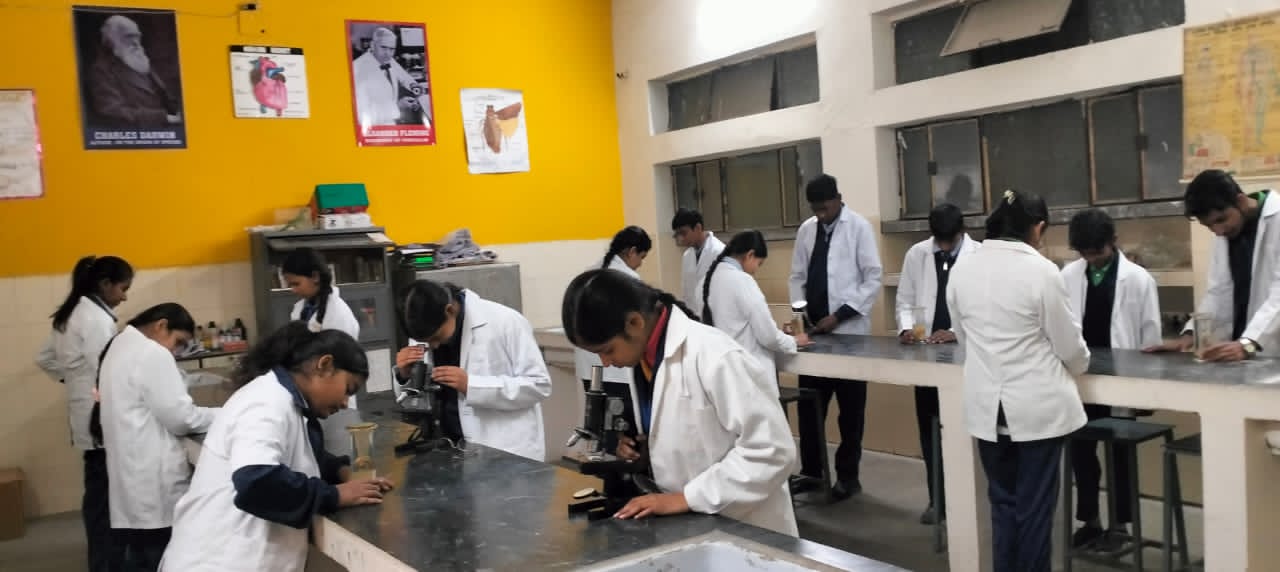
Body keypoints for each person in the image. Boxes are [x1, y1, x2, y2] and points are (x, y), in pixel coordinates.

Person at [562, 269, 799, 536]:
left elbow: (772, 451)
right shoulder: (644, 359)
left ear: (635, 323)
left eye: (607, 350)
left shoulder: (716, 355)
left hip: (746, 525)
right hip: (692, 525)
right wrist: (644, 450)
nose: (605, 363)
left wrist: (686, 498)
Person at [160, 323, 391, 572]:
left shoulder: (288, 402)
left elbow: (296, 453)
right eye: (348, 389)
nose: (345, 403)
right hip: (219, 562)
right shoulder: (265, 402)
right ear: (324, 365)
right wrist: (334, 496)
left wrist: (341, 472)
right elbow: (257, 481)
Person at [946, 189, 1089, 572]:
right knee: (1035, 512)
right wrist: (1080, 366)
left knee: (1003, 506)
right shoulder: (1041, 271)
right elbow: (1068, 346)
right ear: (1037, 228)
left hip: (988, 411)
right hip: (1037, 411)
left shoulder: (963, 269)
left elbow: (963, 337)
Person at [1060, 209, 1161, 551]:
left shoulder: (1138, 279)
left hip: (1123, 380)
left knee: (1120, 453)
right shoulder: (1068, 275)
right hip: (1082, 379)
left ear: (1113, 241)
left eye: (1097, 252)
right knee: (1081, 450)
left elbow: (1150, 334)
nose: (1091, 259)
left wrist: (1146, 390)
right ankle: (1090, 520)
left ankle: (1120, 524)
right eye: (1084, 254)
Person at [95, 303, 217, 571]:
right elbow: (182, 419)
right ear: (161, 325)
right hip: (153, 480)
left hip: (131, 475)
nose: (175, 351)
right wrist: (224, 413)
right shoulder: (152, 353)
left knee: (140, 553)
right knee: (160, 555)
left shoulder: (120, 345)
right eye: (178, 342)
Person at [35, 255, 133, 572]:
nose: (124, 297)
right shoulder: (94, 319)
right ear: (105, 284)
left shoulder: (72, 312)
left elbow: (45, 358)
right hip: (97, 417)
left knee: (98, 494)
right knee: (105, 499)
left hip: (85, 412)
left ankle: (103, 561)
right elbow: (109, 368)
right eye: (123, 288)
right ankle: (106, 564)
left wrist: (74, 380)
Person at [787, 174, 882, 500]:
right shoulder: (807, 230)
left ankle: (848, 478)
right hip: (814, 336)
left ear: (838, 199)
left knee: (850, 413)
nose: (820, 214)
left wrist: (839, 316)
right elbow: (797, 276)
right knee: (810, 409)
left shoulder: (858, 228)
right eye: (815, 209)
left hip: (849, 335)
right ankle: (813, 473)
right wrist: (800, 315)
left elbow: (873, 278)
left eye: (825, 208)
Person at [395, 280, 552, 461]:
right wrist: (405, 376)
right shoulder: (424, 327)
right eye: (426, 341)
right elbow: (414, 402)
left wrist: (472, 386)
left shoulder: (506, 322)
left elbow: (539, 385)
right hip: (448, 449)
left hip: (504, 451)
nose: (434, 346)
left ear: (449, 310)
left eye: (437, 338)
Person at [894, 203, 979, 525]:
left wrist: (955, 331)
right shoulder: (917, 254)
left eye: (949, 242)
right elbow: (905, 300)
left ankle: (966, 502)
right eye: (938, 242)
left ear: (961, 232)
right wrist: (906, 328)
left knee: (963, 432)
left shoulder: (978, 256)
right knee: (930, 430)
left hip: (966, 356)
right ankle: (937, 500)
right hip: (927, 355)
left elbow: (981, 307)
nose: (943, 248)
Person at [1147, 169, 1280, 360]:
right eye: (1209, 226)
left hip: (1267, 349)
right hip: (1238, 349)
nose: (1218, 231)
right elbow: (1218, 291)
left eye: (1221, 220)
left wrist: (1249, 343)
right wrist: (1190, 334)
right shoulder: (1226, 232)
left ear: (1241, 201)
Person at [701, 229, 810, 387]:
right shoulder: (742, 280)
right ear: (750, 255)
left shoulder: (711, 278)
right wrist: (794, 341)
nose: (756, 270)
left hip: (727, 371)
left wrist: (780, 335)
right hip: (749, 374)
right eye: (759, 264)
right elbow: (768, 336)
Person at [573, 226, 653, 392]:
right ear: (632, 252)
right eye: (641, 257)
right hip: (617, 369)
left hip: (590, 367)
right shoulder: (627, 280)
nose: (640, 264)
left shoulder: (590, 272)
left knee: (596, 407)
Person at [89, 15, 182, 127]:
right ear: (112, 40)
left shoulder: (140, 62)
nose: (136, 42)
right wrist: (164, 118)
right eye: (129, 37)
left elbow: (165, 97)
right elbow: (111, 111)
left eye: (137, 36)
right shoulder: (102, 70)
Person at [351, 27, 429, 127]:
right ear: (372, 45)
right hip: (373, 129)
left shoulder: (388, 59)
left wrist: (413, 85)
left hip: (391, 122)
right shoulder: (357, 69)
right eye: (383, 47)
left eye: (392, 49)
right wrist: (397, 106)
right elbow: (361, 116)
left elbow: (403, 75)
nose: (388, 53)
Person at [283, 247, 360, 339]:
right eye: (290, 285)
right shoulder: (302, 308)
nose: (293, 290)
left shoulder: (339, 315)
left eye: (296, 284)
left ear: (315, 277)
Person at [672, 208, 725, 316]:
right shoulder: (687, 256)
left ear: (698, 228)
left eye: (683, 233)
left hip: (716, 316)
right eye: (678, 234)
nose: (681, 238)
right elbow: (686, 291)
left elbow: (724, 292)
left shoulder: (719, 252)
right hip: (694, 316)